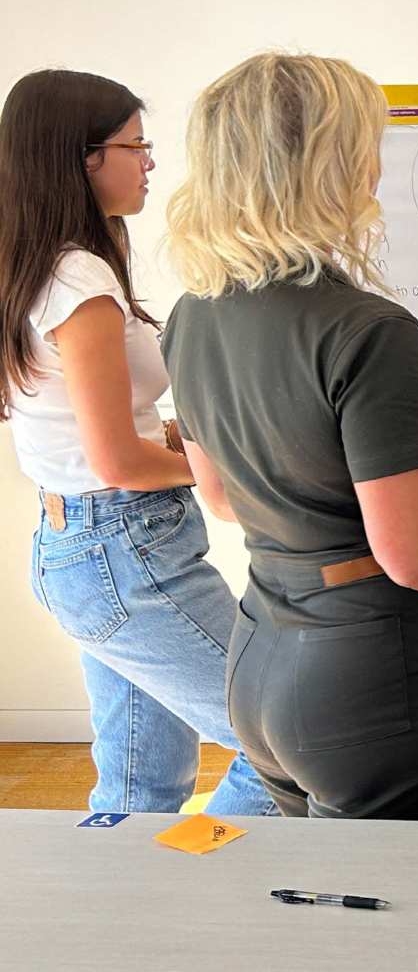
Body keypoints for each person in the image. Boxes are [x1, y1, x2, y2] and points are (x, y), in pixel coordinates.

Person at [161, 53, 418, 820]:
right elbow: (416, 558)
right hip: (369, 677)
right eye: (365, 144)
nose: (375, 168)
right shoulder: (370, 329)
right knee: (400, 896)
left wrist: (402, 503)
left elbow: (227, 495)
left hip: (260, 659)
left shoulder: (191, 314)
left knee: (321, 895)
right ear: (324, 163)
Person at [0, 69, 274, 816]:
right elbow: (118, 459)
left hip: (89, 544)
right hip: (124, 549)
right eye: (135, 145)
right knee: (284, 747)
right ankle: (197, 878)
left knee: (137, 788)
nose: (150, 162)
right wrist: (230, 467)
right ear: (82, 157)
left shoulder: (41, 264)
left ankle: (126, 893)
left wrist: (198, 435)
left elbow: (113, 428)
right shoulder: (78, 279)